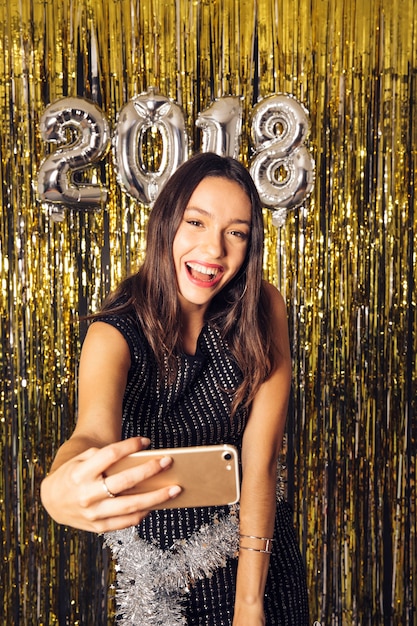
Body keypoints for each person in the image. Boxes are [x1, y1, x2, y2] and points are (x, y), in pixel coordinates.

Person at [41, 152, 309, 625]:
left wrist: (250, 604)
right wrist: (57, 488)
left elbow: (262, 458)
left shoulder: (264, 307)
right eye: (196, 222)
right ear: (166, 223)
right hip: (163, 585)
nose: (214, 251)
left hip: (261, 563)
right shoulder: (114, 332)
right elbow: (91, 435)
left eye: (237, 232)